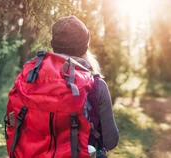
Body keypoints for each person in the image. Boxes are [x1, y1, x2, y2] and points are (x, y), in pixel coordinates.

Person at [50, 16, 119, 157]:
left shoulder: (35, 77)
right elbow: (110, 141)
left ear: (54, 46)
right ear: (84, 47)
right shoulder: (96, 85)